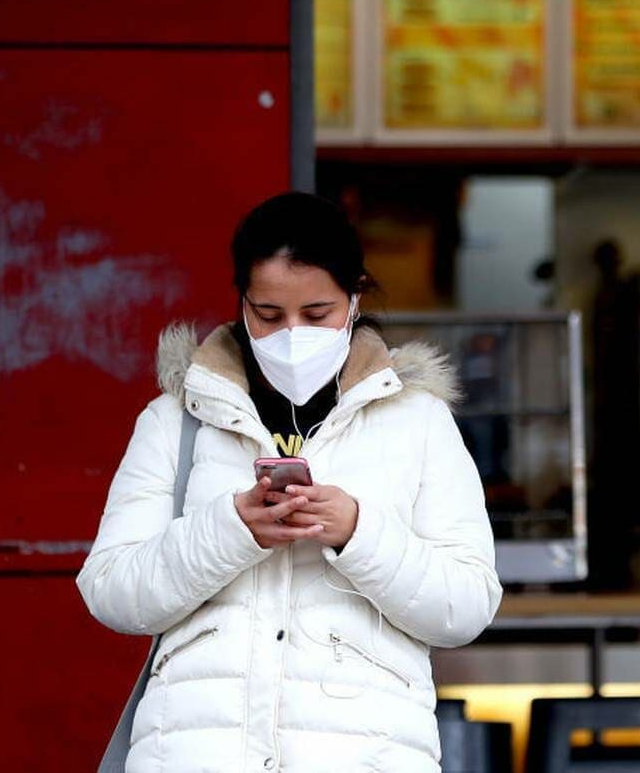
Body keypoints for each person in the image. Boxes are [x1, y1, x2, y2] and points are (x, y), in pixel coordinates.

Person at [77, 192, 502, 773]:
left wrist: (357, 532)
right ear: (242, 303)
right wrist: (231, 530)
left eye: (318, 313)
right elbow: (111, 592)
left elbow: (467, 605)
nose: (292, 334)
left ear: (354, 298)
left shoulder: (418, 422)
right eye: (269, 316)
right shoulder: (176, 420)